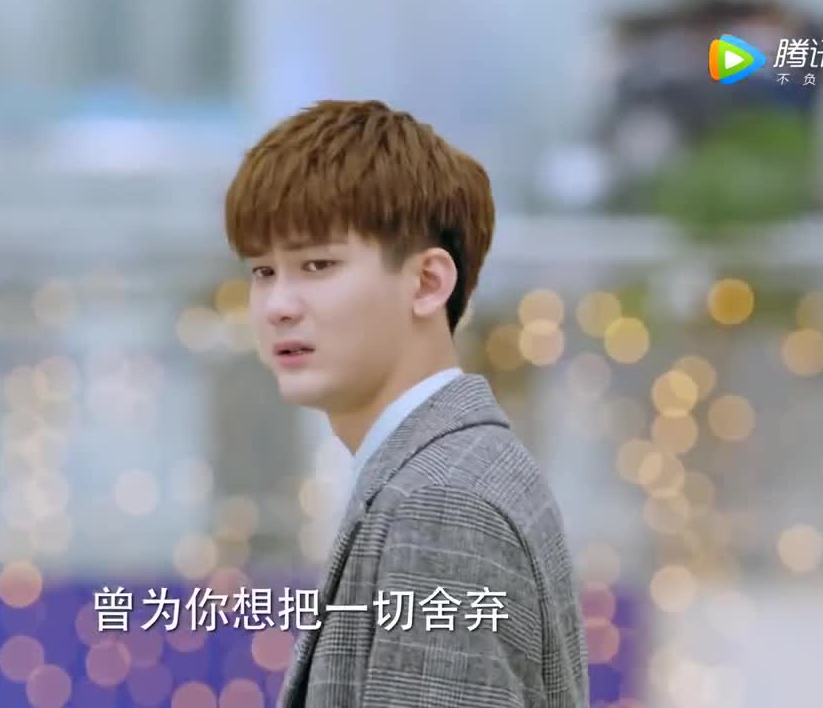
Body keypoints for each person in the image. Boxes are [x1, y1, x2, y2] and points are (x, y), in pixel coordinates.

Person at [223, 99, 589, 707]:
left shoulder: (442, 504)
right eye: (263, 271)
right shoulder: (443, 473)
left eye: (317, 264)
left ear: (427, 283)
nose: (278, 305)